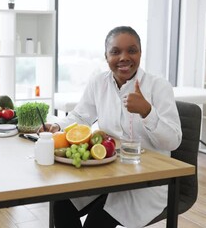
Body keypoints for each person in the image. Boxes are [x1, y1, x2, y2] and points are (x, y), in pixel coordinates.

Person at [45, 26, 182, 227]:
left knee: (96, 223)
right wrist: (56, 126)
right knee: (61, 203)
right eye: (115, 51)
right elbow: (81, 116)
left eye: (132, 50)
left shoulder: (158, 87)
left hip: (146, 182)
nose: (124, 57)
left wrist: (147, 111)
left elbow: (173, 141)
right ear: (106, 56)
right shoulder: (98, 82)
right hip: (108, 173)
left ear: (140, 53)